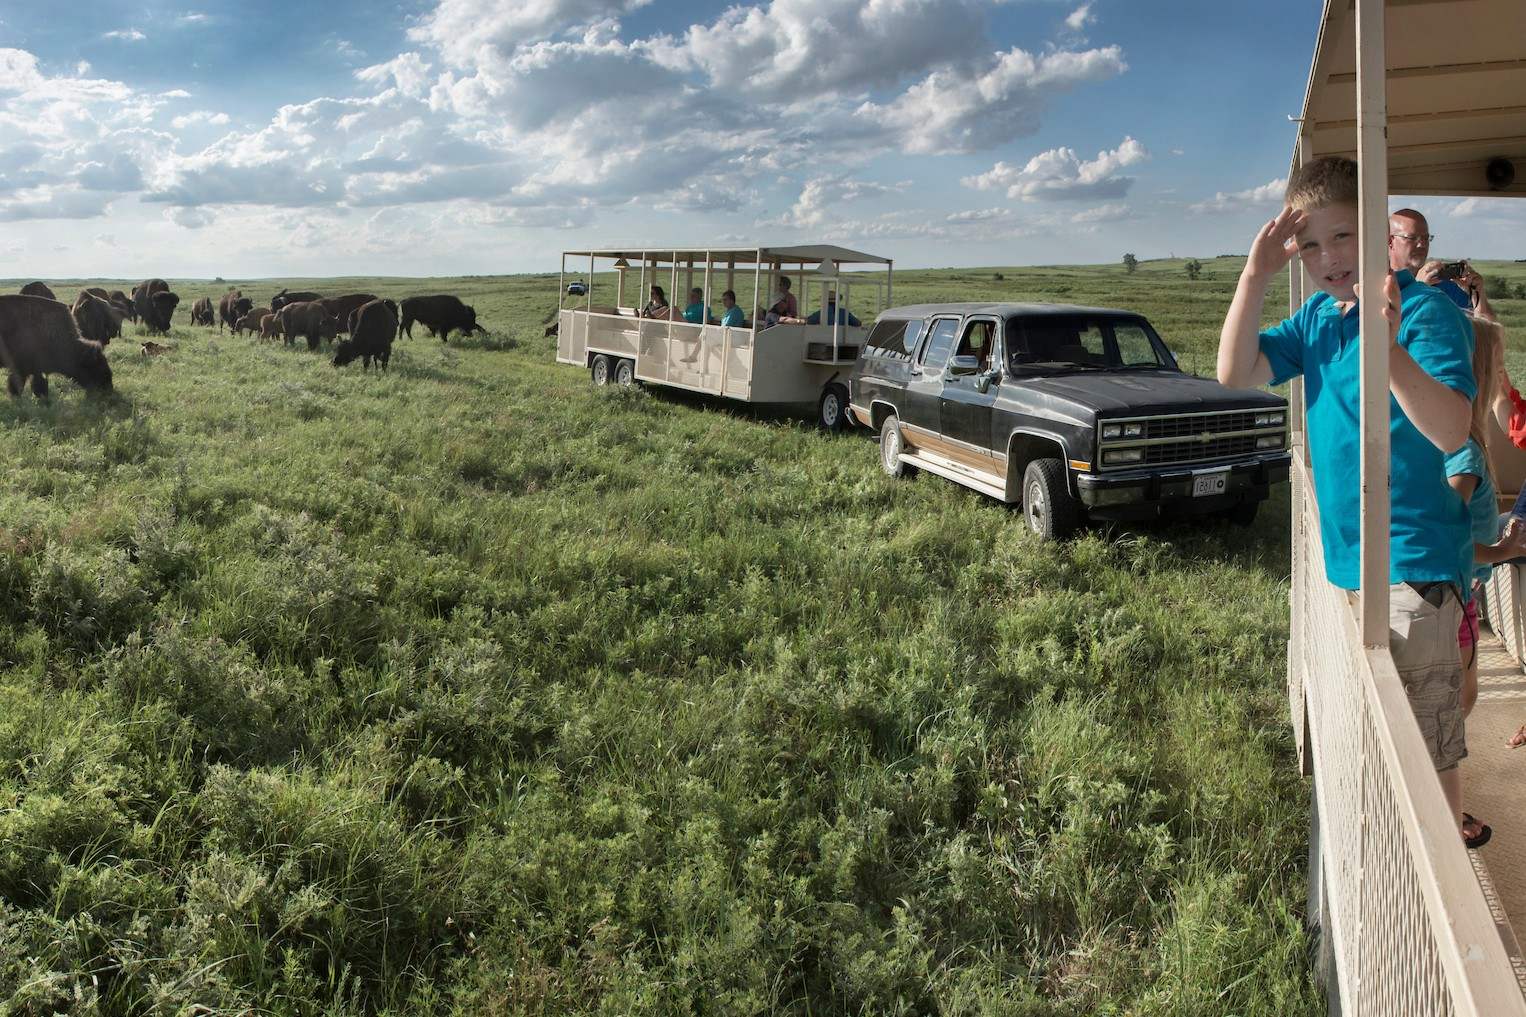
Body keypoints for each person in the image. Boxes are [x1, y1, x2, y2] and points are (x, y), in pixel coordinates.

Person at [1217, 156, 1481, 848]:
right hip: (1352, 569)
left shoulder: (1423, 313)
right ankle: (1401, 854)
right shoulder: (1316, 319)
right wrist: (1255, 276)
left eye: (1342, 237)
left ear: (1375, 232)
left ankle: (1436, 883)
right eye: (1309, 245)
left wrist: (1387, 350)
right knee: (1384, 743)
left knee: (1425, 756)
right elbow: (1236, 370)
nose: (1328, 257)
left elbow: (1453, 428)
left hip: (1412, 571)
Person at [1442, 320, 1526, 848]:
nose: (1502, 379)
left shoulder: (1459, 439)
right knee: (1456, 700)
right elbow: (1446, 535)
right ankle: (1444, 801)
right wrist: (1504, 550)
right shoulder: (1466, 451)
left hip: (1459, 589)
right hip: (1453, 589)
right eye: (1493, 369)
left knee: (1458, 697)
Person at [1389, 208, 1497, 322]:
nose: (1421, 244)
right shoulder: (1378, 285)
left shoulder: (1444, 284)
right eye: (1412, 238)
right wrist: (1418, 289)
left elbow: (1489, 334)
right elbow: (1387, 334)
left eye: (1426, 238)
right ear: (1390, 241)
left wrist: (1477, 296)